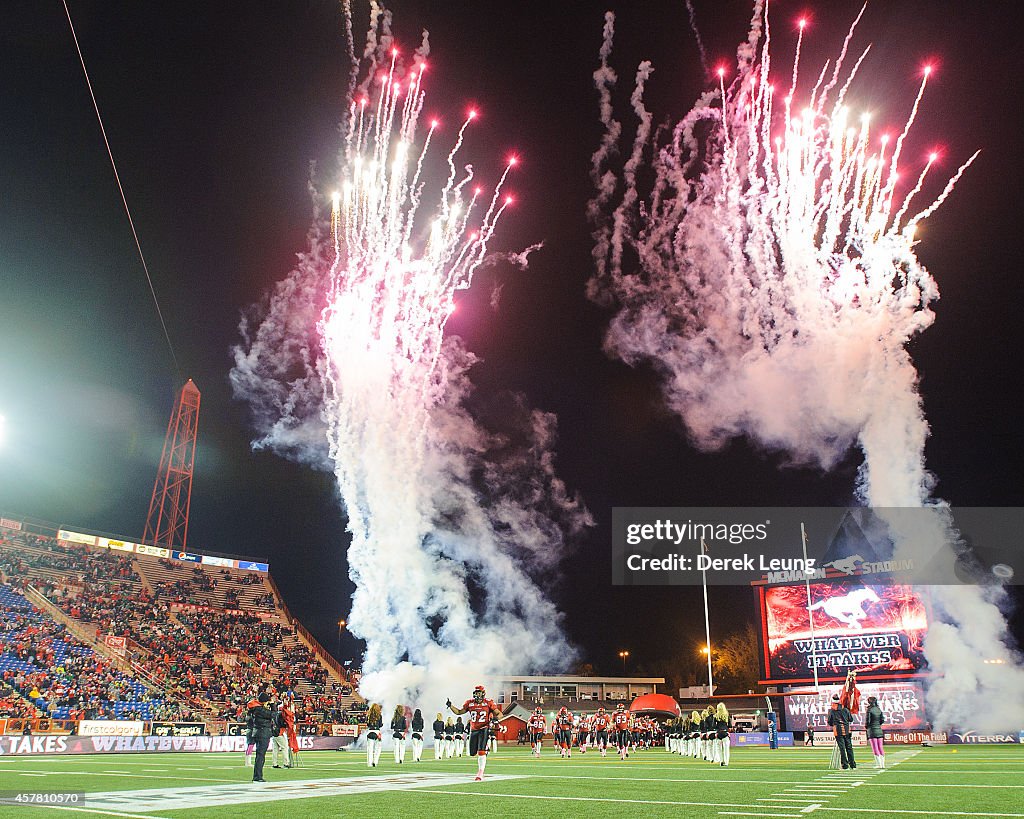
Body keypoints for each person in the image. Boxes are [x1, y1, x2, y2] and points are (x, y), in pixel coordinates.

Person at [447, 684, 501, 781]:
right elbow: (459, 712)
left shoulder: (488, 702)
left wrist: (495, 720)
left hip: (484, 728)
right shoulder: (470, 703)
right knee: (472, 753)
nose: (477, 695)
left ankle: (480, 773)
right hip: (474, 729)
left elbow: (499, 713)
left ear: (483, 693)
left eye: (479, 692)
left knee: (481, 751)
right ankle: (485, 748)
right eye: (476, 693)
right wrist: (451, 706)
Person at [247, 692, 274, 783]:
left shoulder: (254, 708)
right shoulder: (260, 709)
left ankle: (257, 775)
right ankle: (258, 776)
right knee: (261, 755)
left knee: (259, 755)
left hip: (257, 732)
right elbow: (273, 714)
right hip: (263, 733)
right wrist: (273, 705)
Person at [827, 694, 856, 769]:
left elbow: (829, 722)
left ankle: (845, 765)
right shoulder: (845, 709)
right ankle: (852, 765)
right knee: (849, 747)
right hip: (847, 730)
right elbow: (851, 719)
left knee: (842, 748)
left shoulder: (832, 710)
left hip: (838, 730)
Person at [864, 696, 886, 768]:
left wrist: (867, 727)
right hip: (879, 730)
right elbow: (882, 720)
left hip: (872, 730)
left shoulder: (869, 710)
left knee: (875, 748)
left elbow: (868, 721)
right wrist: (878, 725)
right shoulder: (878, 709)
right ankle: (882, 764)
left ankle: (878, 764)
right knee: (880, 747)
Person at [271, 697, 290, 769]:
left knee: (275, 749)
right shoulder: (280, 715)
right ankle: (286, 763)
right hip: (280, 732)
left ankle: (274, 763)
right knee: (284, 748)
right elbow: (282, 724)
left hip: (274, 732)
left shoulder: (273, 714)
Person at [365, 703, 383, 768]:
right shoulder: (379, 716)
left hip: (370, 731)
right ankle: (375, 761)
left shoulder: (368, 715)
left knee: (370, 749)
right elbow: (380, 725)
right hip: (377, 732)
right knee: (378, 748)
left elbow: (368, 724)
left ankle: (369, 763)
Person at [714, 702, 731, 767]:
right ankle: (726, 762)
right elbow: (729, 725)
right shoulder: (726, 715)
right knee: (726, 749)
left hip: (719, 733)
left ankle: (721, 761)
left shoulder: (716, 716)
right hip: (725, 732)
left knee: (719, 749)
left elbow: (714, 726)